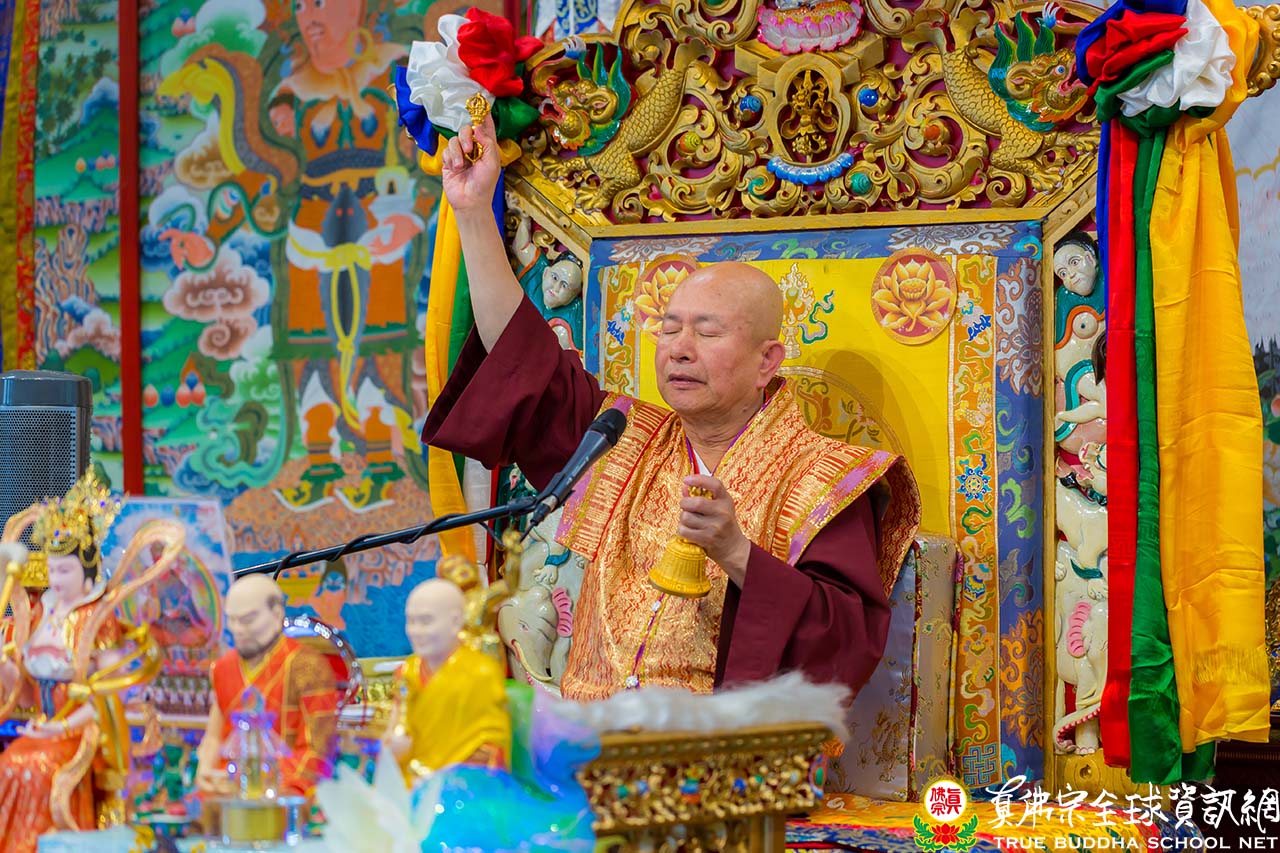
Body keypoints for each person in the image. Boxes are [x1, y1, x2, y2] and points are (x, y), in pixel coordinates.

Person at [421, 117, 922, 703]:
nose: (679, 349)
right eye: (669, 328)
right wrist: (474, 213)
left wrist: (736, 553)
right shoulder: (618, 438)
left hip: (724, 747)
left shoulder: (825, 479)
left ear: (767, 361)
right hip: (592, 735)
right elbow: (521, 358)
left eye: (706, 333)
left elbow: (844, 646)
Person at [0, 477, 125, 853]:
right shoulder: (44, 612)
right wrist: (4, 662)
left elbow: (109, 693)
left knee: (37, 768)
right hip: (43, 725)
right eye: (52, 570)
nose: (56, 580)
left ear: (88, 570)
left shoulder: (99, 616)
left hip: (81, 729)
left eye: (65, 571)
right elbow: (24, 692)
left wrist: (63, 725)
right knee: (9, 762)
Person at [195, 576, 338, 798]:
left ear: (277, 614)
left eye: (248, 620)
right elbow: (214, 737)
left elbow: (318, 751)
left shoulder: (307, 666)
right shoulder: (223, 668)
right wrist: (205, 769)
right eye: (232, 620)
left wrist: (259, 779)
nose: (237, 629)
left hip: (285, 786)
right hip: (229, 786)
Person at [382, 578, 511, 783]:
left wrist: (444, 777)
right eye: (411, 621)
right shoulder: (408, 670)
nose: (415, 631)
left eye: (425, 621)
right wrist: (392, 746)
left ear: (455, 622)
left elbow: (491, 745)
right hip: (414, 777)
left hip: (461, 784)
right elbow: (398, 725)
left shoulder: (481, 673)